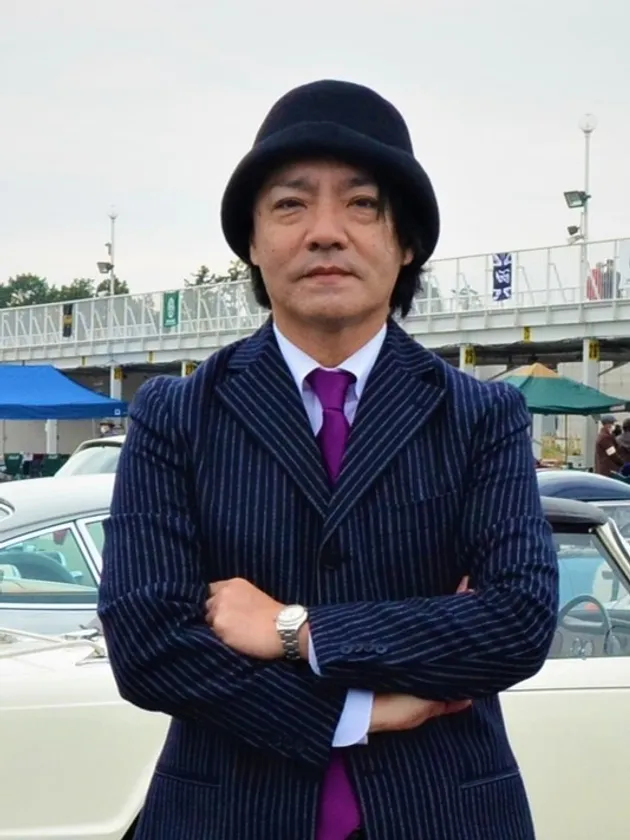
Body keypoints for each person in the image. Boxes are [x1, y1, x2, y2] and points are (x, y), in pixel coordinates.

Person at [98, 80, 559, 840]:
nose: (325, 232)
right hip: (226, 815)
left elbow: (516, 620)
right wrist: (356, 711)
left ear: (406, 243)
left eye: (362, 204)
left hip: (446, 814)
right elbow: (149, 644)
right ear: (252, 242)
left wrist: (297, 628)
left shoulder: (482, 416)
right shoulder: (175, 414)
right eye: (290, 204)